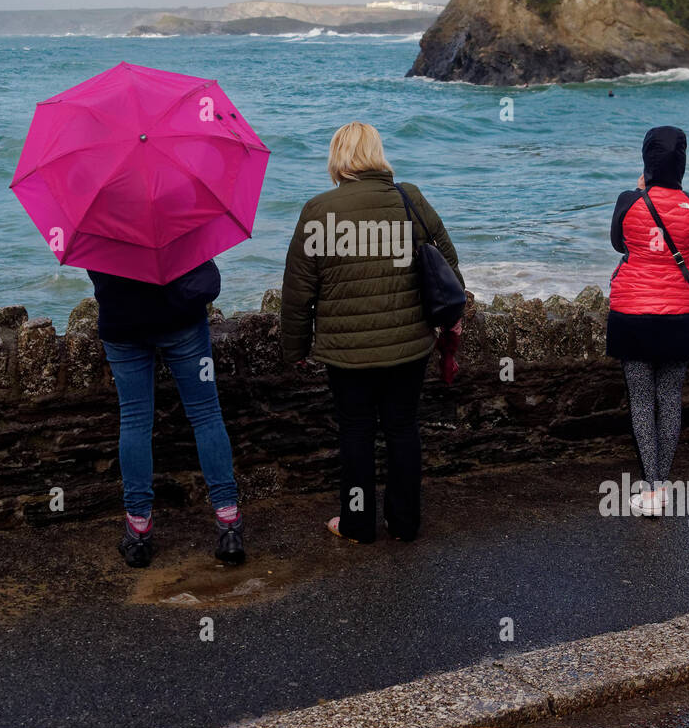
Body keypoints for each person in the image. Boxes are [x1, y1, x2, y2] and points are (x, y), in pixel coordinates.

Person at [280, 122, 463, 543]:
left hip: (348, 353)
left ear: (338, 158)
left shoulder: (318, 210)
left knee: (356, 433)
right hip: (409, 345)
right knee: (402, 428)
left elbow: (297, 292)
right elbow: (447, 264)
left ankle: (358, 524)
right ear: (377, 155)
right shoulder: (409, 198)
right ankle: (405, 523)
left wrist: (295, 350)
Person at [89, 259, 245, 567]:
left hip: (122, 325)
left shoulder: (98, 215)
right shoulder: (176, 208)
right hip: (182, 321)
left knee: (134, 420)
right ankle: (229, 526)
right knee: (206, 414)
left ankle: (138, 533)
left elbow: (95, 267)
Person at [607, 126, 689, 516]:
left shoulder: (627, 200)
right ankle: (661, 487)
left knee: (640, 401)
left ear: (646, 160)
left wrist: (641, 192)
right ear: (682, 161)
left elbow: (620, 244)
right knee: (669, 399)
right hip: (679, 315)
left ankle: (650, 488)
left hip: (632, 314)